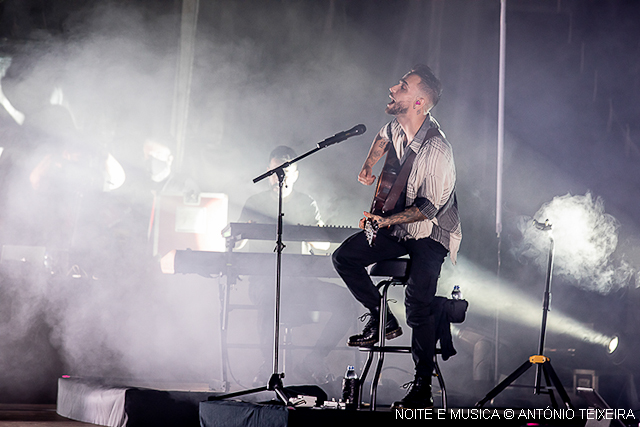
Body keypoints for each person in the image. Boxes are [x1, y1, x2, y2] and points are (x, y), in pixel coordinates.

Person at [332, 65, 461, 409]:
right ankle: (383, 318)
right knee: (344, 257)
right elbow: (382, 138)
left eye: (402, 86)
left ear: (419, 102)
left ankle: (422, 386)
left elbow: (428, 208)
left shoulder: (437, 150)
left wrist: (384, 218)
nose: (392, 88)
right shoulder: (396, 127)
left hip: (430, 231)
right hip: (397, 224)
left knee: (418, 303)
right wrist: (367, 166)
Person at [238, 145, 353, 387]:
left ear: (296, 174)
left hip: (302, 282)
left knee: (346, 302)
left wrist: (313, 238)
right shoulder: (254, 202)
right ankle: (269, 365)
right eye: (274, 171)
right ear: (268, 172)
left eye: (285, 171)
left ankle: (315, 358)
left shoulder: (306, 203)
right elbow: (237, 246)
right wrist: (240, 237)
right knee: (270, 297)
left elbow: (324, 248)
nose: (279, 176)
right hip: (264, 281)